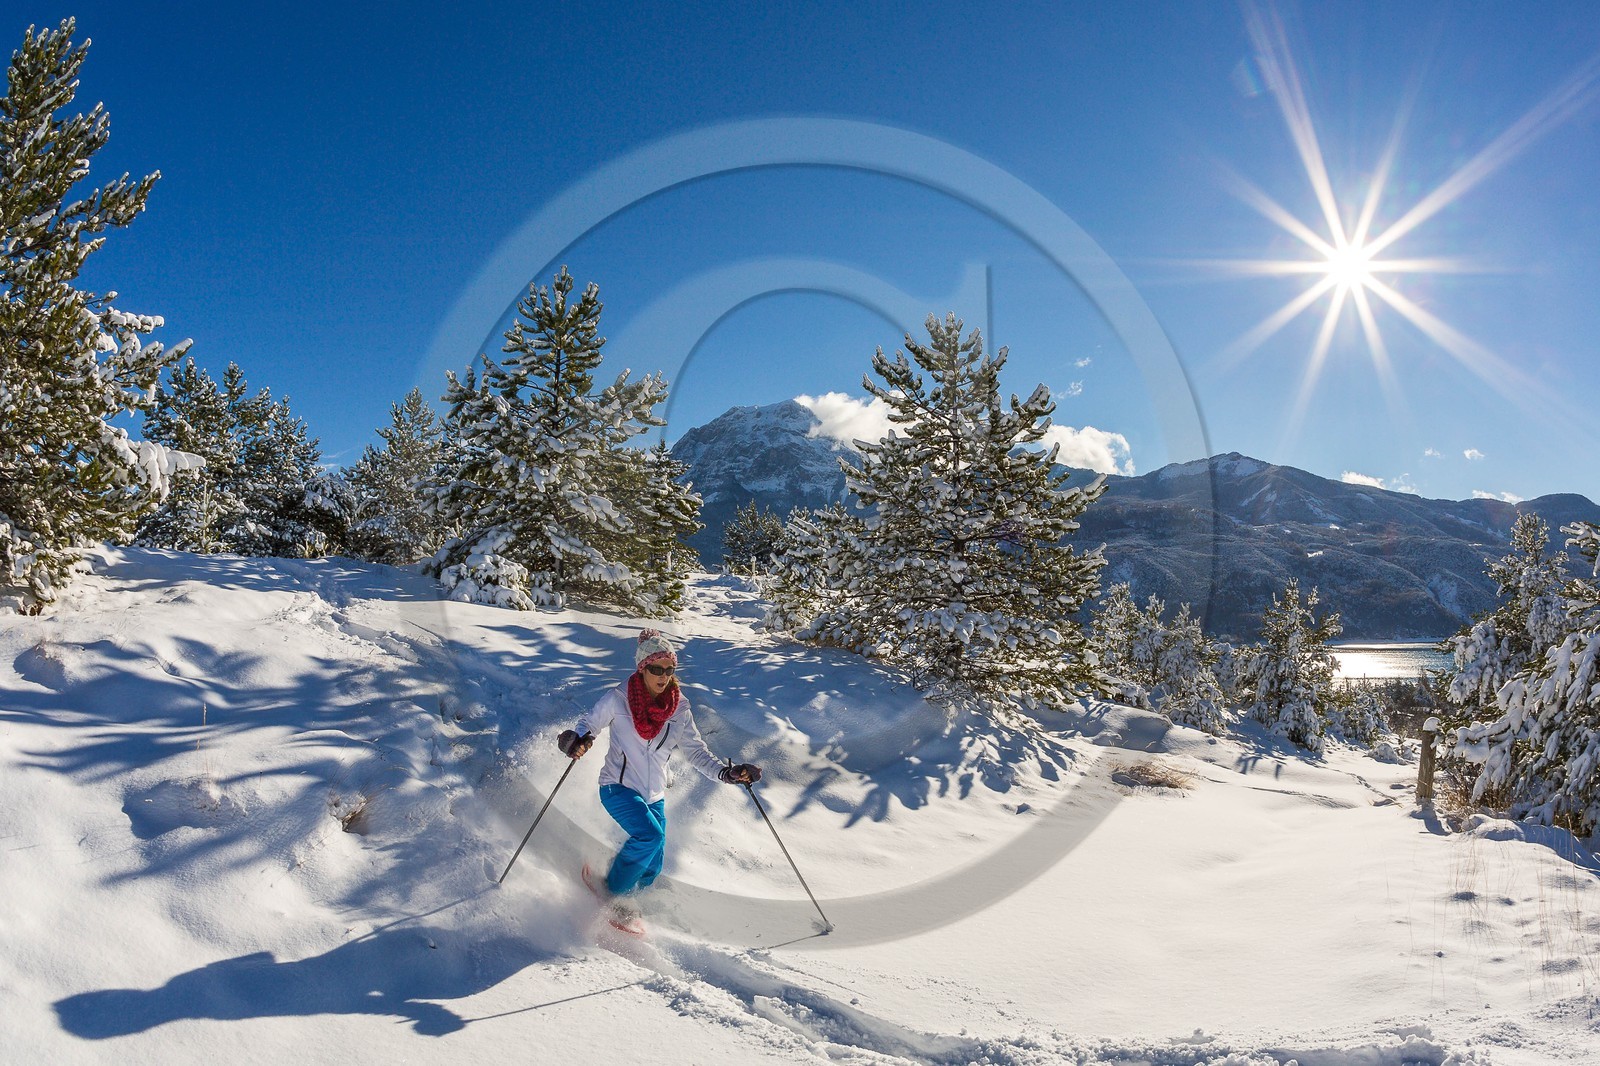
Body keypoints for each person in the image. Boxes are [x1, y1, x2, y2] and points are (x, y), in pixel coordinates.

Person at [558, 628, 762, 901]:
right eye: (656, 669)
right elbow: (589, 725)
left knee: (654, 863)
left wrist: (726, 773)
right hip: (617, 787)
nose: (663, 676)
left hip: (654, 794)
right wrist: (576, 740)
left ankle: (629, 899)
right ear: (642, 668)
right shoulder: (618, 699)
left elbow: (696, 751)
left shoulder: (679, 709)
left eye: (669, 669)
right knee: (649, 838)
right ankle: (610, 894)